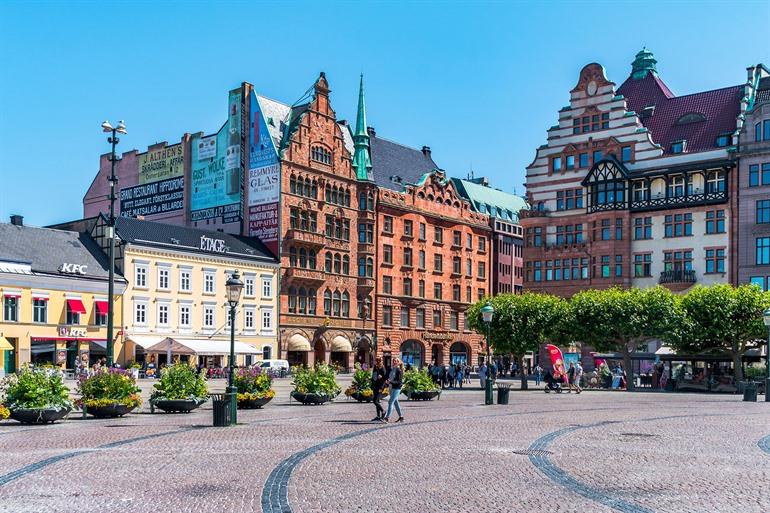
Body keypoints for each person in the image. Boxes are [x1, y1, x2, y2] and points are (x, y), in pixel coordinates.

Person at [384, 358, 404, 423]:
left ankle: (387, 417)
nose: (394, 362)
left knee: (390, 402)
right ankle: (401, 417)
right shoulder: (392, 369)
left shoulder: (399, 370)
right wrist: (387, 381)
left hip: (397, 388)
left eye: (396, 361)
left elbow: (399, 381)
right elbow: (389, 377)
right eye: (394, 361)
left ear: (399, 362)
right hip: (391, 387)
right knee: (395, 402)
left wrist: (391, 382)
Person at [371, 357, 387, 421]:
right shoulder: (375, 367)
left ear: (381, 360)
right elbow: (374, 375)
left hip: (380, 387)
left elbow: (385, 377)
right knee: (376, 401)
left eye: (378, 360)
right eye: (376, 360)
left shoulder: (382, 368)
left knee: (375, 401)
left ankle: (383, 411)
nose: (377, 361)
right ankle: (378, 416)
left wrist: (382, 377)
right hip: (375, 386)